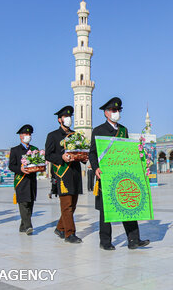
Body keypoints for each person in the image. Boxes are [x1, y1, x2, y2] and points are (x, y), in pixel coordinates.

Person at [89, 97, 150, 251]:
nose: (116, 113)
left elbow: (127, 151)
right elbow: (92, 153)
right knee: (106, 210)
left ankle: (134, 240)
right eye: (114, 110)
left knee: (127, 205)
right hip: (106, 175)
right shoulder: (98, 130)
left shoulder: (123, 130)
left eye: (118, 110)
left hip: (122, 175)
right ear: (106, 113)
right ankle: (105, 241)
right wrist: (95, 168)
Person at [45, 106, 88, 244]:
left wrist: (83, 157)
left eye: (70, 116)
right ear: (59, 120)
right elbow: (48, 155)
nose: (69, 119)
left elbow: (80, 150)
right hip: (63, 174)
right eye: (65, 117)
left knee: (73, 205)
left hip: (75, 173)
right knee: (66, 204)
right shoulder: (53, 135)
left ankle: (60, 227)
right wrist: (61, 157)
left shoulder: (75, 135)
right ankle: (70, 234)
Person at [9, 124, 38, 235]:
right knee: (23, 203)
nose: (28, 136)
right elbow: (11, 166)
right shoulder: (15, 150)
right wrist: (20, 169)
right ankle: (28, 226)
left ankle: (22, 226)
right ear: (21, 136)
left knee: (30, 203)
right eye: (26, 134)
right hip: (21, 180)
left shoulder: (34, 149)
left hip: (31, 180)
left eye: (29, 134)